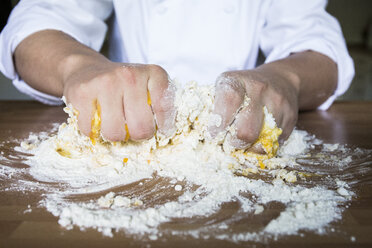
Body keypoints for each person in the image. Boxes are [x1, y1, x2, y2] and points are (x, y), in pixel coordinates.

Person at [0, 0, 354, 150]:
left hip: (242, 126)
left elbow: (315, 40)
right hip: (125, 126)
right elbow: (38, 21)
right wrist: (78, 67)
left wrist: (286, 79)